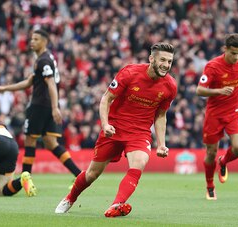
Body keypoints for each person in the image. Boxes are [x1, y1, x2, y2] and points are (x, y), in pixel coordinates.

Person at [55, 42, 177, 217]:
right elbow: (106, 99)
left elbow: (161, 115)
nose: (166, 65)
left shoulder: (170, 86)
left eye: (170, 61)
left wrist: (161, 144)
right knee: (92, 174)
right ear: (151, 59)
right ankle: (70, 198)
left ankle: (116, 205)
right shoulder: (130, 73)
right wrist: (105, 124)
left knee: (139, 163)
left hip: (140, 132)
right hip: (114, 128)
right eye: (163, 60)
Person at [0, 29, 81, 178]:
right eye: (32, 39)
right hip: (48, 105)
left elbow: (51, 83)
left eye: (36, 39)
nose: (32, 42)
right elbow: (29, 82)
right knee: (51, 143)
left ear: (45, 41)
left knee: (30, 141)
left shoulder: (43, 61)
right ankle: (79, 175)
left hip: (39, 105)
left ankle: (25, 180)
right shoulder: (47, 58)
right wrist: (5, 88)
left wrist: (55, 107)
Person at [196, 33, 238, 200]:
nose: (236, 57)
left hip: (234, 110)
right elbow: (199, 90)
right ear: (225, 49)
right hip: (214, 113)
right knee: (211, 152)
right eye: (233, 53)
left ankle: (223, 162)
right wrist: (218, 91)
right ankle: (210, 186)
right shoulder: (212, 66)